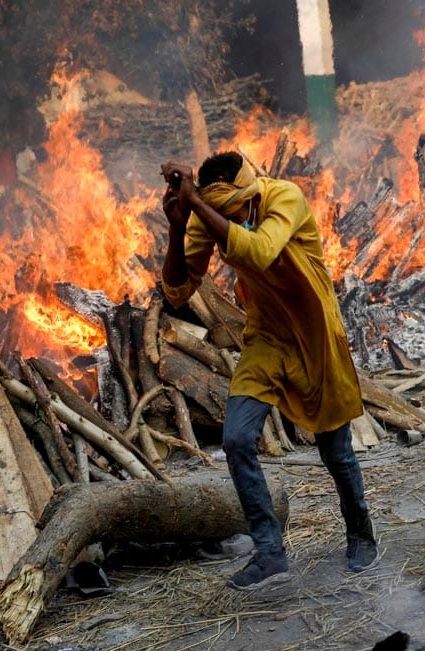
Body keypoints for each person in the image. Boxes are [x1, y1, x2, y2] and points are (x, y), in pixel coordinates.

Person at [160, 151, 378, 590]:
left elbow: (258, 252)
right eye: (216, 212)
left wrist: (199, 204)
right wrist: (178, 224)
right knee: (237, 438)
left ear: (248, 194)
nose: (225, 220)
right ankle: (270, 552)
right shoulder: (209, 214)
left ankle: (361, 533)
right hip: (267, 336)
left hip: (315, 332)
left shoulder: (285, 198)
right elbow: (179, 291)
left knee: (335, 450)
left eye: (231, 211)